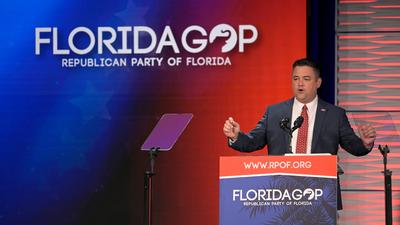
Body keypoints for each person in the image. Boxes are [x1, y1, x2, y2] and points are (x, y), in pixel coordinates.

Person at [222, 58, 376, 210]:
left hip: (320, 193)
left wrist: (365, 143)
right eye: (296, 78)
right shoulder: (275, 112)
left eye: (306, 79)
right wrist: (236, 136)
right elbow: (253, 141)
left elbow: (352, 145)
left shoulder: (335, 115)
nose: (300, 83)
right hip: (280, 193)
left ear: (318, 83)